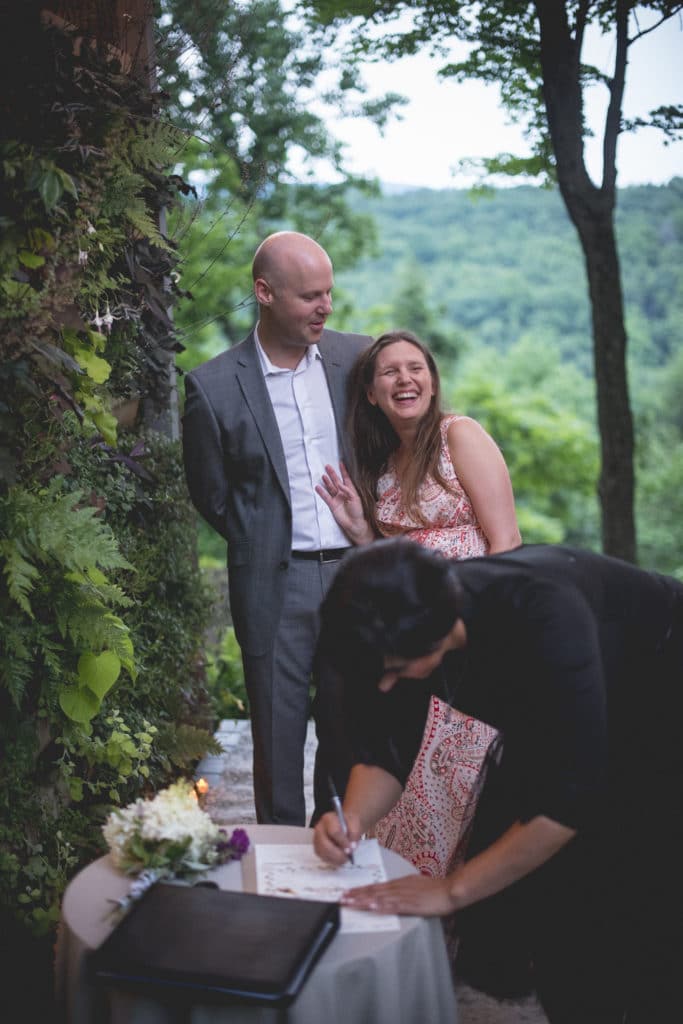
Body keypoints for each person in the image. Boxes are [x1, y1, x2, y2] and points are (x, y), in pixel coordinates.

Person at [313, 538, 683, 1024]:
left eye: (397, 670)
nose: (384, 685)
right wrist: (353, 820)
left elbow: (568, 802)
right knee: (563, 922)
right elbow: (385, 748)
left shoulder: (546, 612)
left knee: (644, 910)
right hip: (571, 720)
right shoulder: (404, 626)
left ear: (439, 632)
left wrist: (451, 890)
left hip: (662, 695)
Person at [182, 231, 371, 825]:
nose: (326, 307)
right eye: (310, 296)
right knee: (277, 735)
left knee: (349, 725)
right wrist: (262, 537)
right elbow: (211, 495)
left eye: (329, 293)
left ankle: (336, 842)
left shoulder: (357, 360)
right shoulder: (210, 387)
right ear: (264, 293)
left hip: (354, 576)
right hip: (273, 582)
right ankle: (281, 867)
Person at [316, 330, 521, 557]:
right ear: (371, 394)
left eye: (415, 368)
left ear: (432, 384)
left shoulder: (458, 434)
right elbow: (395, 558)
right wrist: (362, 532)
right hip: (408, 592)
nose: (404, 379)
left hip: (473, 588)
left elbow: (507, 541)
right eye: (390, 371)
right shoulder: (385, 463)